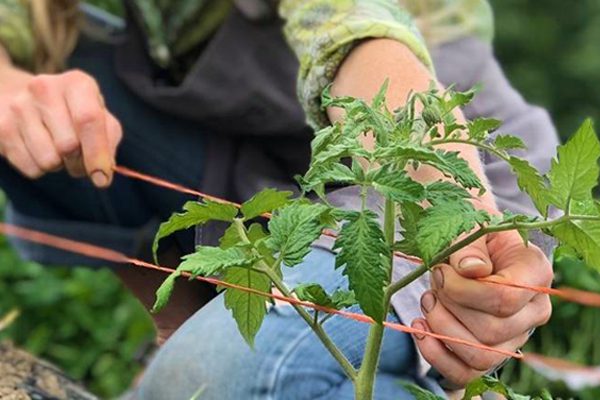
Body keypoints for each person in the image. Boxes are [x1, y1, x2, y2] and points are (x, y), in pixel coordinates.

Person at [0, 0, 559, 398]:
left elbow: (358, 43)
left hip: (434, 173)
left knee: (209, 376)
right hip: (268, 172)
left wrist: (453, 213)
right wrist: (16, 95)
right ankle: (177, 337)